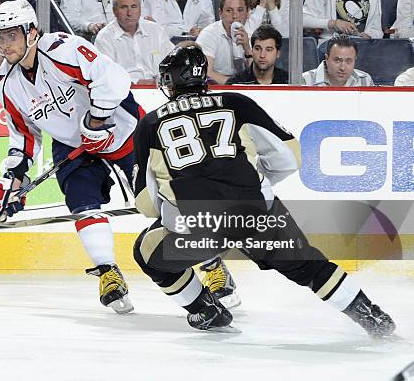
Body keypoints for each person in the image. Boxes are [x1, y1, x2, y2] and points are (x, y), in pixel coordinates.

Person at [131, 42, 396, 337]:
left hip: (199, 228)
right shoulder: (237, 103)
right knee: (309, 266)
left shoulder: (150, 123)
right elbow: (292, 156)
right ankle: (375, 318)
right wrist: (258, 183)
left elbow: (145, 203)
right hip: (256, 215)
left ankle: (207, 310)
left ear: (172, 79)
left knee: (145, 252)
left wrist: (170, 208)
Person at [0, 0, 144, 314]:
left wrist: (95, 121)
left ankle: (211, 267)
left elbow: (113, 79)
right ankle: (108, 272)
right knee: (81, 198)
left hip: (121, 128)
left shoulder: (61, 49)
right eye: (0, 36)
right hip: (72, 144)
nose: (5, 44)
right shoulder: (6, 85)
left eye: (11, 34)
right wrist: (14, 182)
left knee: (158, 197)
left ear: (31, 31)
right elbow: (23, 138)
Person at [95, 0, 173, 83]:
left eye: (133, 6)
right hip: (124, 93)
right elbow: (105, 75)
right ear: (114, 11)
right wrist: (136, 82)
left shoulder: (156, 31)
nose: (129, 13)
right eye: (123, 7)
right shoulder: (104, 38)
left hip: (160, 90)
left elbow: (172, 62)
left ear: (140, 9)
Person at [196, 0, 253, 84]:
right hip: (216, 88)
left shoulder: (252, 34)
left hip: (244, 87)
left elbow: (258, 74)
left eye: (240, 10)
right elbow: (205, 72)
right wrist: (234, 84)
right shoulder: (209, 34)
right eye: (229, 10)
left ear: (247, 13)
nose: (235, 16)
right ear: (220, 13)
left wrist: (247, 48)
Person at [301, 34, 374, 86]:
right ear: (326, 58)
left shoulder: (365, 81)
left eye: (348, 61)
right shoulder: (305, 81)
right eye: (337, 60)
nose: (342, 68)